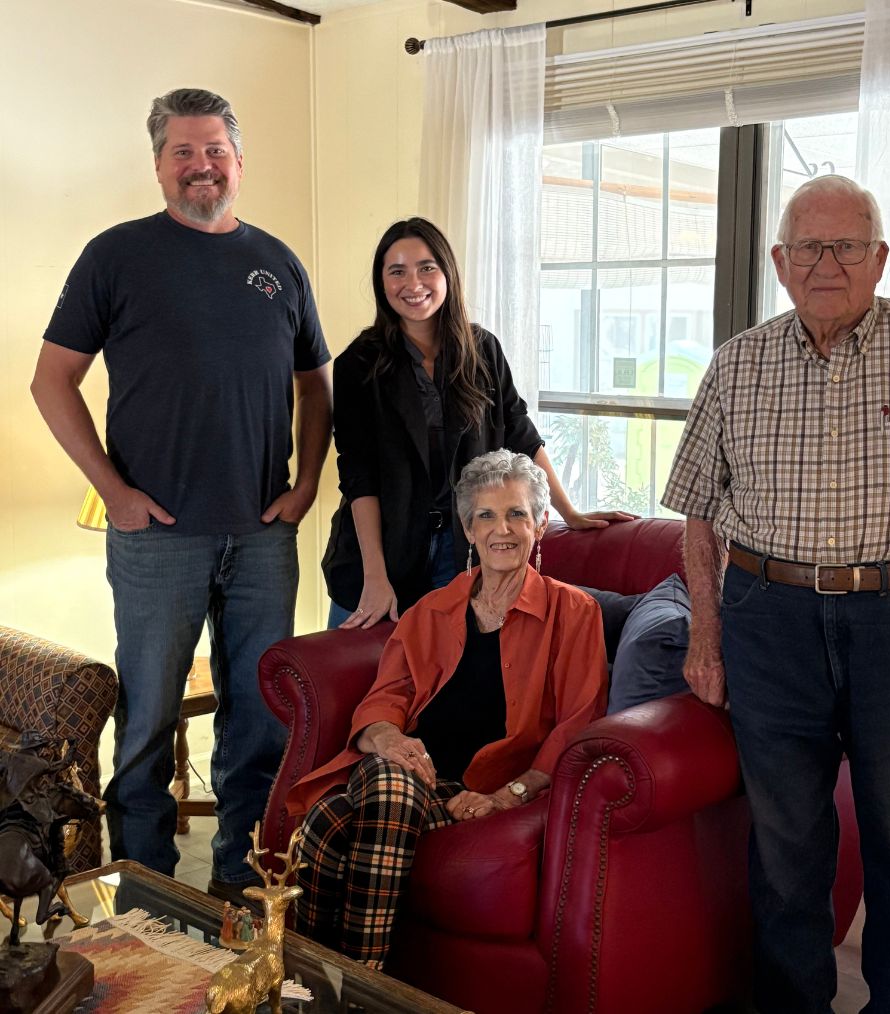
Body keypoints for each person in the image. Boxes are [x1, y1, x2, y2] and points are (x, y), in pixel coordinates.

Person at [661, 174, 890, 1012]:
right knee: (786, 849)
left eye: (847, 246)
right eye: (809, 249)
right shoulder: (737, 363)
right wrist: (705, 637)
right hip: (767, 619)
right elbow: (700, 518)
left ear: (879, 257)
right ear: (781, 263)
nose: (828, 264)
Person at [30, 88, 332, 898]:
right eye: (184, 152)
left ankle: (241, 887)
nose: (202, 167)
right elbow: (52, 378)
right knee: (148, 724)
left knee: (260, 721)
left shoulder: (278, 263)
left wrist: (305, 485)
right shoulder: (116, 255)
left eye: (215, 151)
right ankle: (148, 893)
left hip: (264, 539)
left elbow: (316, 384)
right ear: (159, 163)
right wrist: (113, 491)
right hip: (157, 538)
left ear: (239, 160)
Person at [288, 449, 608, 967]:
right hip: (403, 769)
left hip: (475, 787)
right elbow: (385, 697)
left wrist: (510, 793)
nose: (501, 529)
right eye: (486, 515)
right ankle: (363, 991)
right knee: (392, 780)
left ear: (541, 525)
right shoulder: (432, 609)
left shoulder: (573, 613)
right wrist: (388, 738)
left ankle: (309, 988)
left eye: (516, 514)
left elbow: (579, 721)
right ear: (468, 528)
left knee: (330, 821)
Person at [321, 216, 632, 629]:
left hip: (463, 547)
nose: (413, 283)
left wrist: (568, 512)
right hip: (382, 550)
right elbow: (359, 476)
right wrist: (375, 575)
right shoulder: (357, 364)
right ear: (382, 282)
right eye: (397, 271)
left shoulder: (482, 349)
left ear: (448, 273)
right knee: (359, 678)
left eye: (427, 267)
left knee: (450, 679)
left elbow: (520, 433)